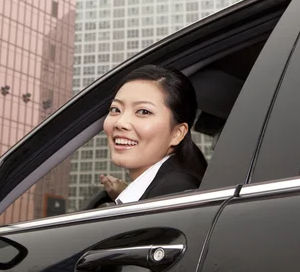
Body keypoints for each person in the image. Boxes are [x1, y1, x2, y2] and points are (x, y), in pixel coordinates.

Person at [85, 65, 208, 209]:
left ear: (177, 133)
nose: (120, 123)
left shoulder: (174, 193)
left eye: (143, 111)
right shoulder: (163, 188)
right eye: (115, 109)